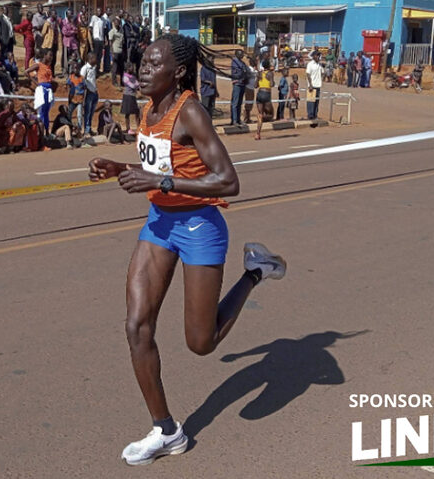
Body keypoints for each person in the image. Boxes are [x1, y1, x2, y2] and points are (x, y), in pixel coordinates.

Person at [87, 33, 286, 466]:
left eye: (152, 64)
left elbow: (229, 181)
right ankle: (166, 431)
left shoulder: (190, 111)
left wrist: (159, 183)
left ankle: (255, 271)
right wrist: (120, 169)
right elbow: (163, 167)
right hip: (159, 223)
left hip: (200, 227)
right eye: (141, 62)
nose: (142, 69)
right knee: (137, 327)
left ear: (177, 72)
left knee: (201, 342)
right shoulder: (149, 108)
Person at [254, 59, 274, 140]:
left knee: (260, 113)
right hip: (266, 94)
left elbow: (255, 85)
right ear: (269, 66)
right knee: (271, 115)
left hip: (259, 93)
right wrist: (270, 80)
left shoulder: (259, 73)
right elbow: (272, 84)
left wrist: (259, 79)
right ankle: (262, 117)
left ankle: (258, 134)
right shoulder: (270, 73)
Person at [80, 52, 98, 136]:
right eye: (94, 58)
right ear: (90, 59)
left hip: (94, 92)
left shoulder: (94, 68)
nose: (95, 59)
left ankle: (89, 128)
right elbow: (82, 80)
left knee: (91, 112)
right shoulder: (85, 68)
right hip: (88, 93)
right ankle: (86, 131)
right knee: (87, 112)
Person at [122, 62, 140, 135]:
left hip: (132, 96)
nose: (133, 68)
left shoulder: (133, 76)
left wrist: (136, 85)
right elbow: (132, 85)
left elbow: (137, 84)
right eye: (131, 67)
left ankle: (138, 127)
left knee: (136, 112)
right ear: (127, 68)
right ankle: (128, 128)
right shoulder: (125, 77)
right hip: (127, 96)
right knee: (127, 113)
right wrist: (136, 85)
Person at [230, 49, 246, 126]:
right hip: (237, 84)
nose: (243, 55)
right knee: (235, 103)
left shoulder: (242, 63)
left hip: (242, 84)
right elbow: (240, 72)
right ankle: (234, 120)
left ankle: (238, 119)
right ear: (238, 54)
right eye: (241, 54)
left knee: (239, 103)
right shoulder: (235, 62)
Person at [67, 61, 85, 130]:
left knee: (79, 115)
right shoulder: (71, 77)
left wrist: (84, 99)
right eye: (74, 68)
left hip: (80, 99)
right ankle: (69, 126)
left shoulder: (82, 78)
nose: (75, 70)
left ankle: (79, 128)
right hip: (72, 99)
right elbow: (68, 87)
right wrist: (69, 98)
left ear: (79, 69)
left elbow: (85, 88)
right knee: (69, 113)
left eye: (77, 68)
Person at [306, 50, 323, 120]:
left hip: (318, 85)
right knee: (311, 101)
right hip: (312, 86)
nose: (318, 57)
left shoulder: (319, 65)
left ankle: (315, 115)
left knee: (316, 102)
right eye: (317, 55)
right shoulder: (310, 64)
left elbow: (322, 72)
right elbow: (308, 74)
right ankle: (310, 115)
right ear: (313, 56)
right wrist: (310, 84)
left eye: (319, 55)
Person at [109, 17, 124, 87]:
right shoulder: (112, 32)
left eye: (118, 22)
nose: (117, 23)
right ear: (114, 23)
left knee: (122, 68)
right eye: (115, 22)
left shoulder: (121, 31)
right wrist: (112, 53)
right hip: (115, 51)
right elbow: (110, 43)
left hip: (121, 51)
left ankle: (122, 82)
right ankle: (114, 82)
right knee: (114, 67)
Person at [90, 8, 105, 75]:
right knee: (95, 56)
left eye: (100, 11)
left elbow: (104, 29)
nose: (99, 12)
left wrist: (105, 40)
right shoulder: (93, 17)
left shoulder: (103, 19)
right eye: (98, 10)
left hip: (101, 40)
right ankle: (93, 71)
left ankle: (98, 69)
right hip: (95, 39)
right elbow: (90, 28)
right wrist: (91, 39)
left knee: (100, 55)